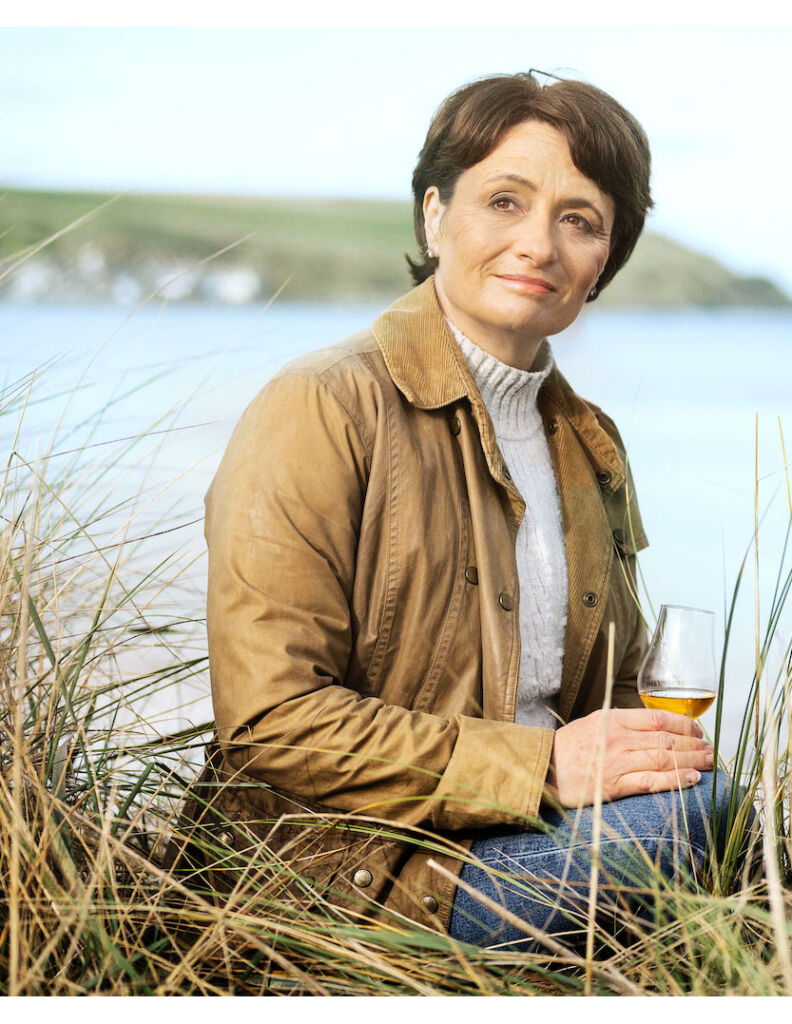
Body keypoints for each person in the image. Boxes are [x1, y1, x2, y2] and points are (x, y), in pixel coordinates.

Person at [191, 72, 741, 949]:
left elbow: (616, 688)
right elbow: (270, 723)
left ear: (604, 261)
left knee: (715, 805)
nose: (538, 245)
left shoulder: (589, 441)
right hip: (359, 872)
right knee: (693, 824)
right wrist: (544, 767)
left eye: (579, 220)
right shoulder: (321, 405)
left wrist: (648, 757)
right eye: (505, 201)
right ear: (435, 215)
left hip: (525, 833)